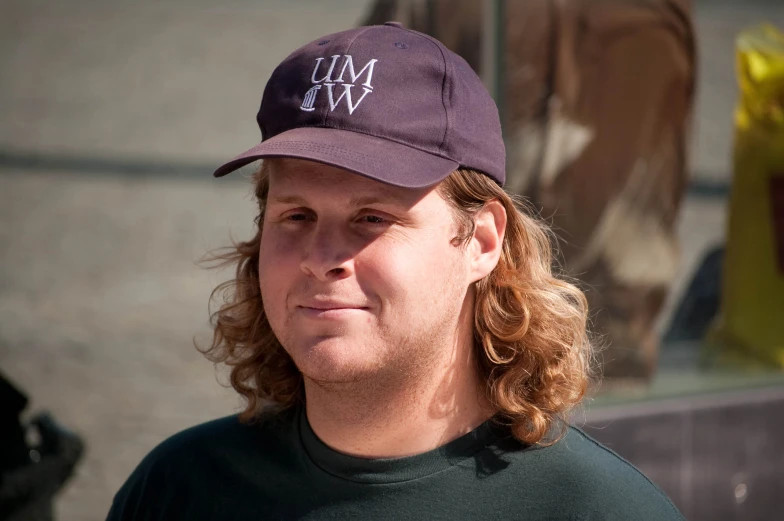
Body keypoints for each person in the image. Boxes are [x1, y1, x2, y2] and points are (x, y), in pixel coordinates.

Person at [107, 23, 684, 520]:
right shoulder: (178, 491)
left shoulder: (599, 512)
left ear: (481, 242)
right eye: (296, 214)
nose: (320, 255)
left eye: (372, 217)